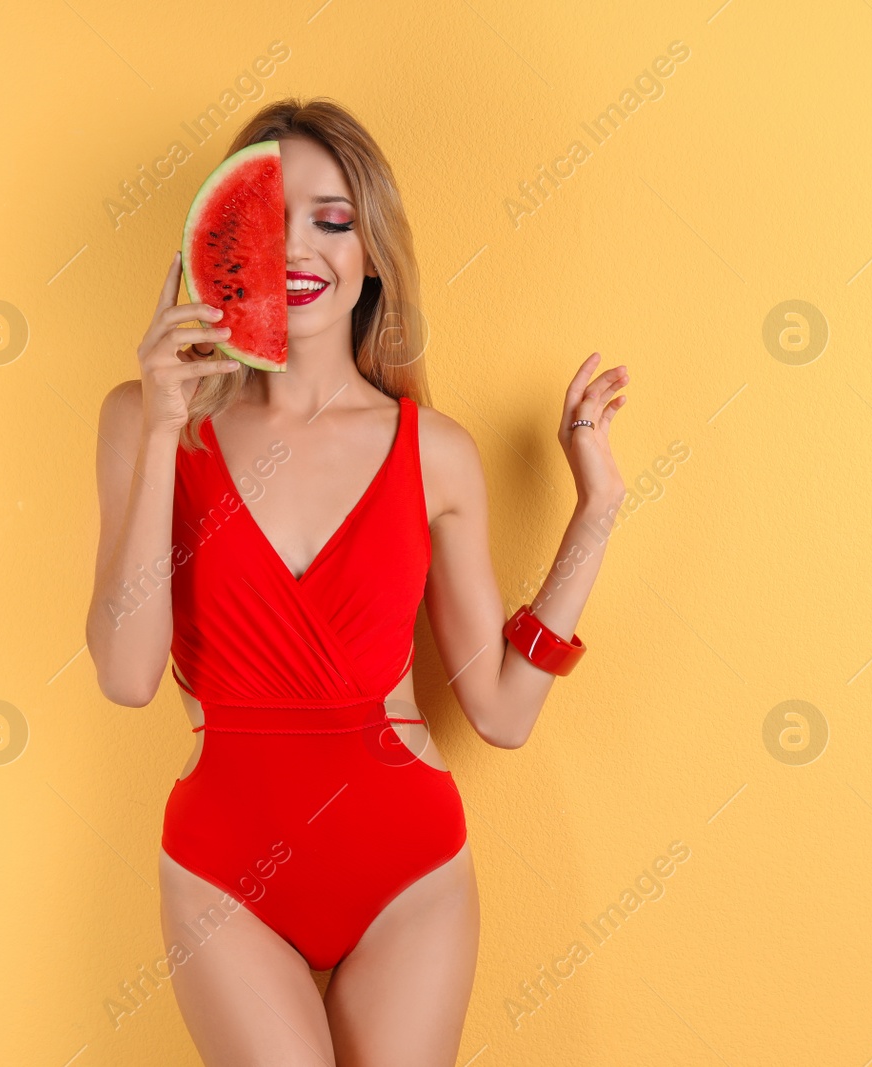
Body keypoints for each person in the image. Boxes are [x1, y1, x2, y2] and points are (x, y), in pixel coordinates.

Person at [85, 97, 628, 1065]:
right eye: (264, 216)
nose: (299, 243)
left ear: (372, 252)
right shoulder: (140, 420)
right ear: (221, 247)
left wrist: (593, 514)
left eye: (332, 217)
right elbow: (127, 675)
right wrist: (167, 424)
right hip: (223, 873)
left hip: (408, 873)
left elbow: (501, 711)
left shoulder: (438, 454)